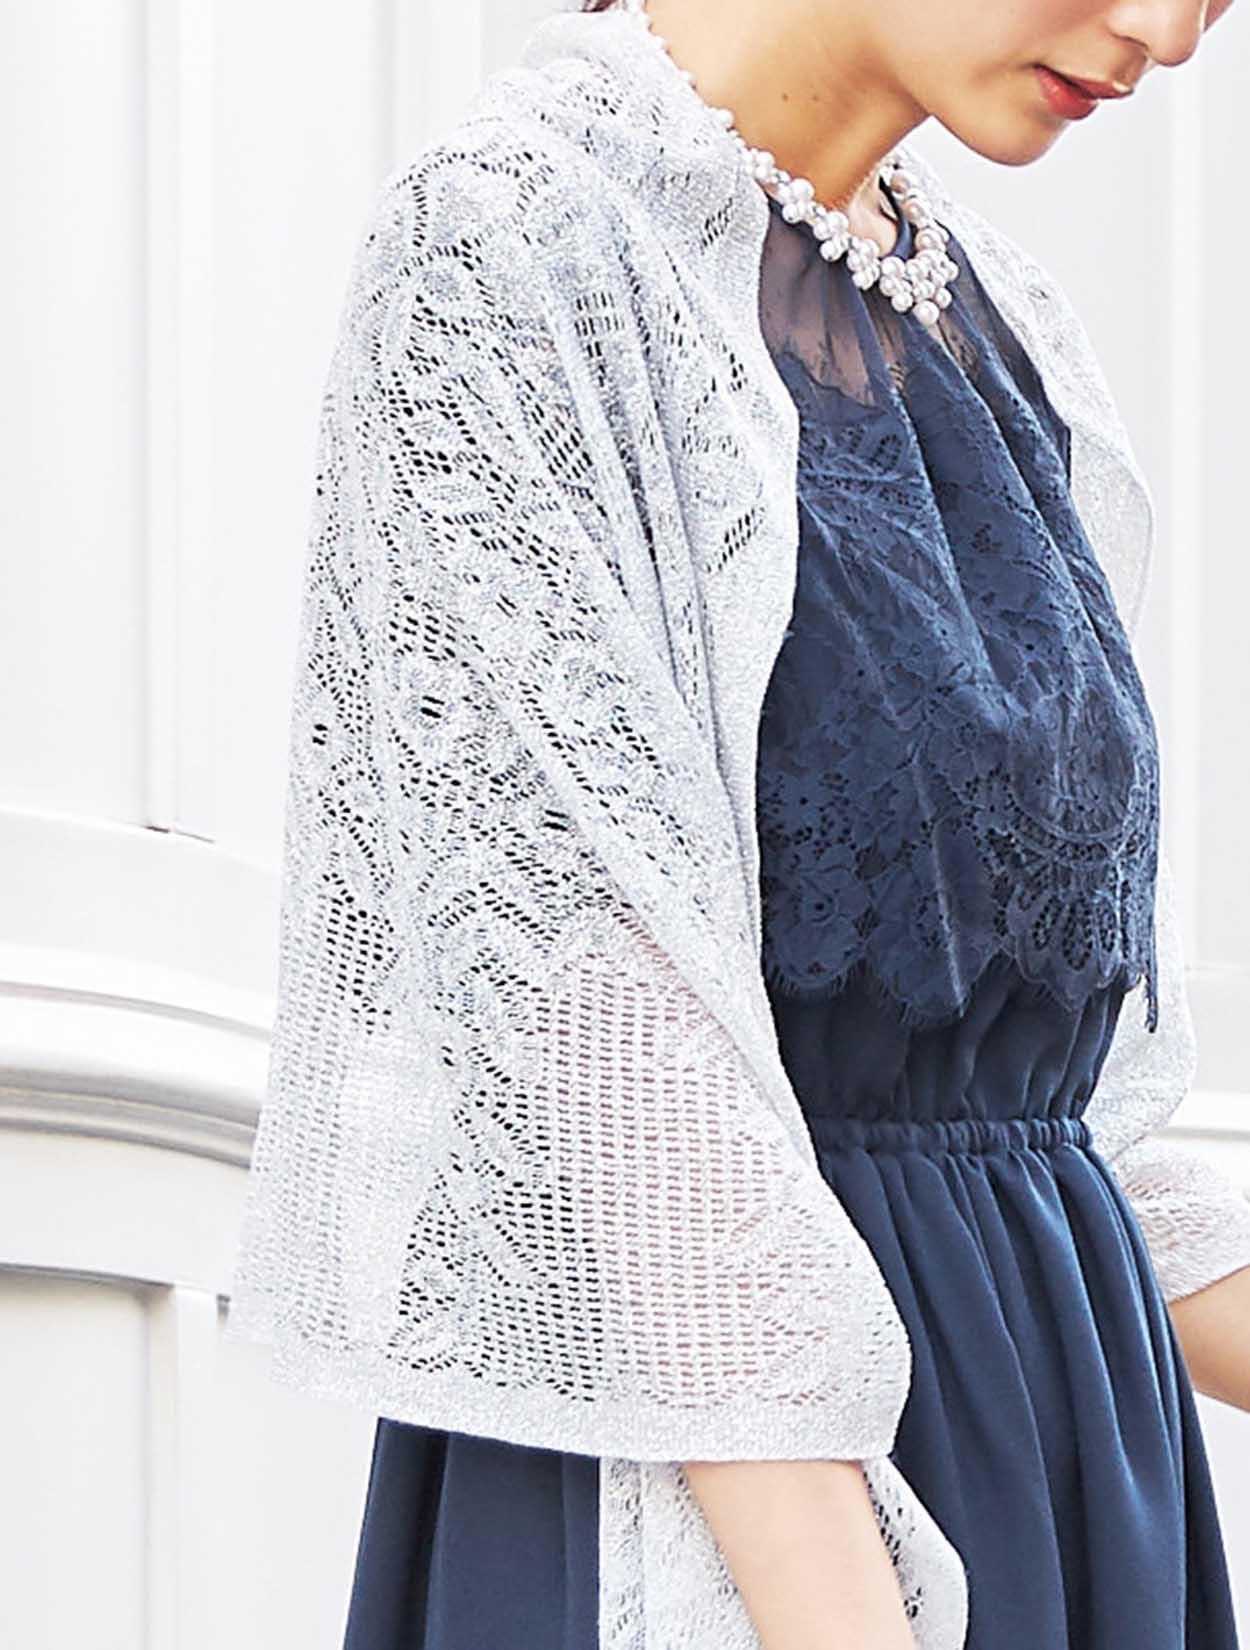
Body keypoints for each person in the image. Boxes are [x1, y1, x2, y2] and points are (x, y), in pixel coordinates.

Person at [224, 1, 1250, 1647]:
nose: (1165, 32)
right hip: (756, 1506)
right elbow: (607, 1066)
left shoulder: (999, 327)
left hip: (1055, 1440)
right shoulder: (517, 242)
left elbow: (1068, 1116)